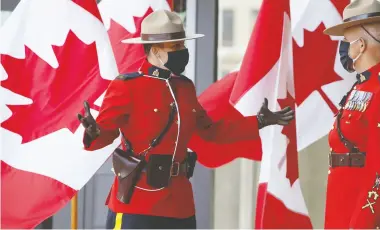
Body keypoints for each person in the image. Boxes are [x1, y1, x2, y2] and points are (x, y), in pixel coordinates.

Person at [77, 10, 294, 229]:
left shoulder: (184, 87)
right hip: (138, 202)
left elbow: (212, 131)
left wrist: (257, 122)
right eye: (175, 47)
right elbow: (105, 133)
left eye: (182, 45)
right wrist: (94, 133)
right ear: (155, 50)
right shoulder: (126, 86)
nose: (182, 51)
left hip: (179, 204)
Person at [322, 0, 380, 228]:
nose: (343, 48)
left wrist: (362, 224)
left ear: (361, 45)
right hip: (343, 209)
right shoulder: (364, 85)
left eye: (346, 40)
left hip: (369, 219)